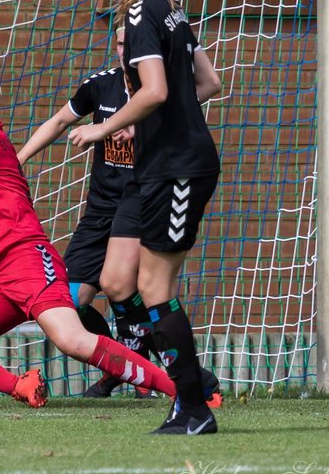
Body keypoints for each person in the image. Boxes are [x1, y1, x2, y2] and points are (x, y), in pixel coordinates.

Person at [0, 69, 182, 411]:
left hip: (29, 260)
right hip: (2, 278)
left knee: (73, 340)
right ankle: (20, 385)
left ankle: (181, 387)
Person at [67, 0, 223, 435]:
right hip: (176, 162)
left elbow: (154, 90)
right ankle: (190, 401)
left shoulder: (138, 15)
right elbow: (209, 82)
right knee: (148, 286)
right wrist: (147, 122)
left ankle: (194, 405)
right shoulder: (174, 13)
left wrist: (103, 129)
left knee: (155, 289)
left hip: (176, 167)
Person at [18, 27, 222, 406]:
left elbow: (209, 85)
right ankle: (128, 362)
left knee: (121, 285)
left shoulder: (164, 93)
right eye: (119, 43)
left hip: (142, 198)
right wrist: (18, 159)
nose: (124, 49)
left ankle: (147, 370)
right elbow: (60, 122)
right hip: (100, 209)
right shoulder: (102, 85)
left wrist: (137, 125)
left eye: (131, 43)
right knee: (67, 302)